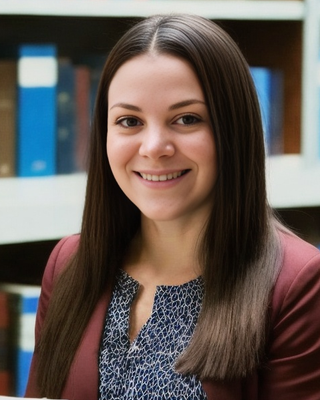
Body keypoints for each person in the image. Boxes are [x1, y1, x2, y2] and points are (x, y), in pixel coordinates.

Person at [25, 13, 320, 400]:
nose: (153, 148)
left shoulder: (298, 284)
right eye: (129, 121)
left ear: (234, 130)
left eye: (186, 119)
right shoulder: (70, 263)